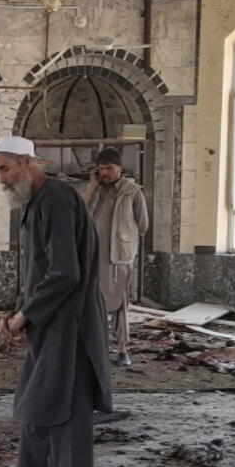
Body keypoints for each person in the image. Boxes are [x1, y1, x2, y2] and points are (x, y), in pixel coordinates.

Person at [0, 135, 112, 467]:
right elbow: (38, 272)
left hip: (71, 329)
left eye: (6, 169)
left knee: (67, 419)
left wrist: (24, 316)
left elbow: (64, 273)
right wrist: (17, 312)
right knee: (36, 408)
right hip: (50, 326)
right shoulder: (36, 202)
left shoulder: (57, 199)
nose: (2, 178)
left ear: (28, 163)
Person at [81, 147, 149, 367]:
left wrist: (123, 238)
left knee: (120, 302)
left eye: (109, 168)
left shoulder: (132, 191)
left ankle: (122, 349)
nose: (105, 173)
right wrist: (92, 184)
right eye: (101, 169)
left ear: (120, 168)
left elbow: (143, 224)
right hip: (94, 254)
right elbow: (80, 213)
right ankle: (96, 348)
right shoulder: (96, 190)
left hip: (119, 256)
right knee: (93, 301)